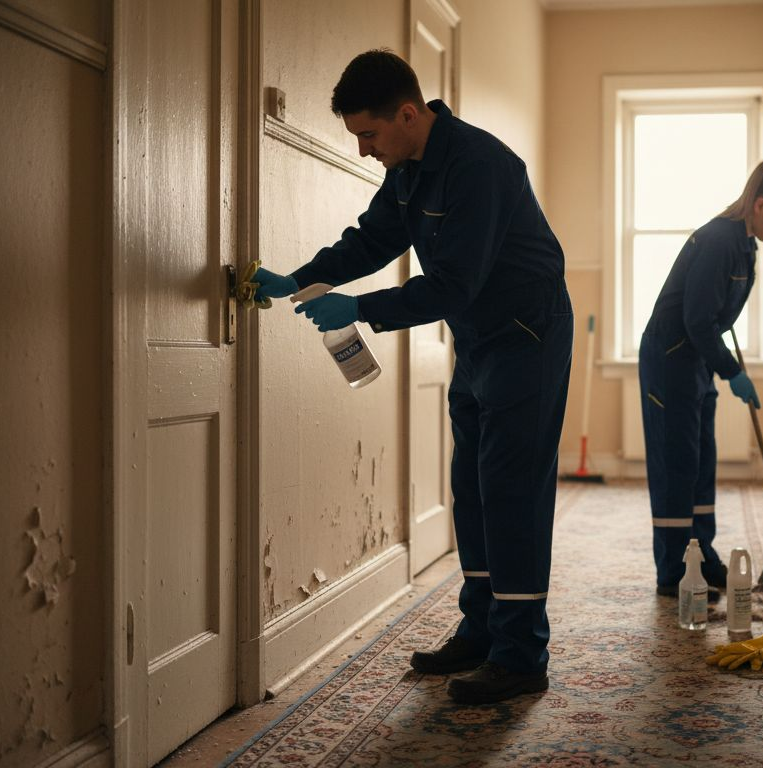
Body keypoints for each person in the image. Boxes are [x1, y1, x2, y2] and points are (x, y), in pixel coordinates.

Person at [251, 50, 573, 705]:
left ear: (407, 114)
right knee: (472, 489)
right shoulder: (408, 169)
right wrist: (301, 278)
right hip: (478, 340)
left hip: (527, 337)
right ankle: (481, 631)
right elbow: (372, 240)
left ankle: (520, 656)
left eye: (368, 134)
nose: (364, 149)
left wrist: (359, 310)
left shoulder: (481, 166)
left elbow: (452, 284)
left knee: (511, 491)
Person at [638, 160, 763, 599]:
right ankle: (674, 570)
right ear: (760, 205)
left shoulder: (745, 246)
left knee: (700, 461)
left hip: (695, 360)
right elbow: (697, 319)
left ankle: (701, 554)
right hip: (670, 359)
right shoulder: (718, 241)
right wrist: (732, 371)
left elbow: (715, 315)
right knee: (677, 464)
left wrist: (723, 364)